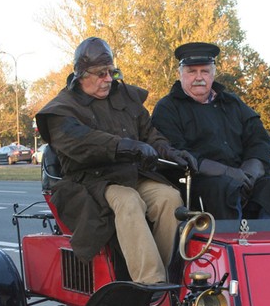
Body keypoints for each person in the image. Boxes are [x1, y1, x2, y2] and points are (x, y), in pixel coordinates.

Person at [34, 37, 195, 284]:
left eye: (111, 72)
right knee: (128, 201)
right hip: (89, 182)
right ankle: (150, 283)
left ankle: (167, 277)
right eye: (100, 73)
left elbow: (149, 133)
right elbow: (82, 141)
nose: (108, 79)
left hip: (131, 175)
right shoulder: (61, 109)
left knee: (169, 198)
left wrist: (170, 152)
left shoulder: (125, 97)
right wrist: (126, 146)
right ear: (80, 74)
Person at [152, 42, 270, 220]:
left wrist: (251, 171)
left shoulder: (232, 103)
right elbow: (176, 152)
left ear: (213, 73)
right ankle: (233, 244)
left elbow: (258, 138)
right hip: (199, 181)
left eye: (204, 71)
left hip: (243, 177)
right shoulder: (168, 108)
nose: (199, 77)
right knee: (224, 189)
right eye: (192, 71)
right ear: (180, 74)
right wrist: (227, 173)